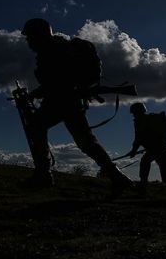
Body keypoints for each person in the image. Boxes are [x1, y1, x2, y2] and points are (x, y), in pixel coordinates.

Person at [21, 18, 132, 197]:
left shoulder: (52, 50)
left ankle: (43, 174)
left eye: (29, 37)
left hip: (62, 101)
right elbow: (56, 80)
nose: (28, 42)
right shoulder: (55, 48)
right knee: (86, 142)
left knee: (37, 127)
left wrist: (43, 91)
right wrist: (40, 92)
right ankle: (117, 177)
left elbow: (59, 80)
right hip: (69, 101)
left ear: (38, 35)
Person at [128, 102, 166, 197]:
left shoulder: (140, 121)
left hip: (156, 148)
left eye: (134, 112)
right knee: (163, 165)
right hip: (159, 146)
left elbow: (138, 138)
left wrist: (133, 150)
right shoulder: (148, 119)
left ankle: (143, 187)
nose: (133, 115)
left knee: (146, 162)